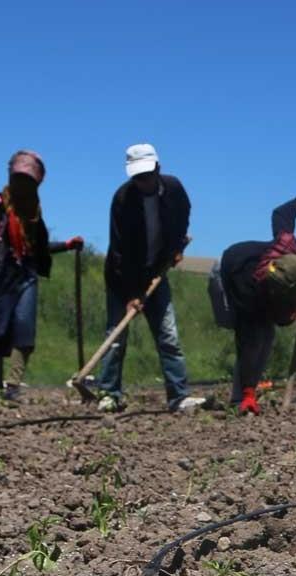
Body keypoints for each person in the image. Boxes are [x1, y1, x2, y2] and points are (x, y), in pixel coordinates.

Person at [0, 150, 83, 403]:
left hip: (25, 275)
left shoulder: (33, 213)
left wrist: (66, 244)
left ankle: (13, 386)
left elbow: (38, 248)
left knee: (24, 328)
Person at [96, 143, 199, 413]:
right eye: (137, 177)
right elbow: (120, 252)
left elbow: (183, 215)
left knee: (168, 336)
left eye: (146, 175)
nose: (142, 182)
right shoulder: (122, 200)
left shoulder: (174, 189)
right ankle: (109, 393)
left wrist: (175, 247)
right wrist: (131, 293)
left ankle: (178, 396)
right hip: (122, 277)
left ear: (157, 169)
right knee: (116, 337)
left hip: (155, 271)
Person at [209, 193, 296, 415]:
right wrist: (248, 391)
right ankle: (243, 396)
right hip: (227, 274)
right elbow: (245, 338)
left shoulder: (286, 248)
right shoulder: (248, 286)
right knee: (250, 335)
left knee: (267, 336)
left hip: (263, 291)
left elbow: (282, 211)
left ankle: (245, 393)